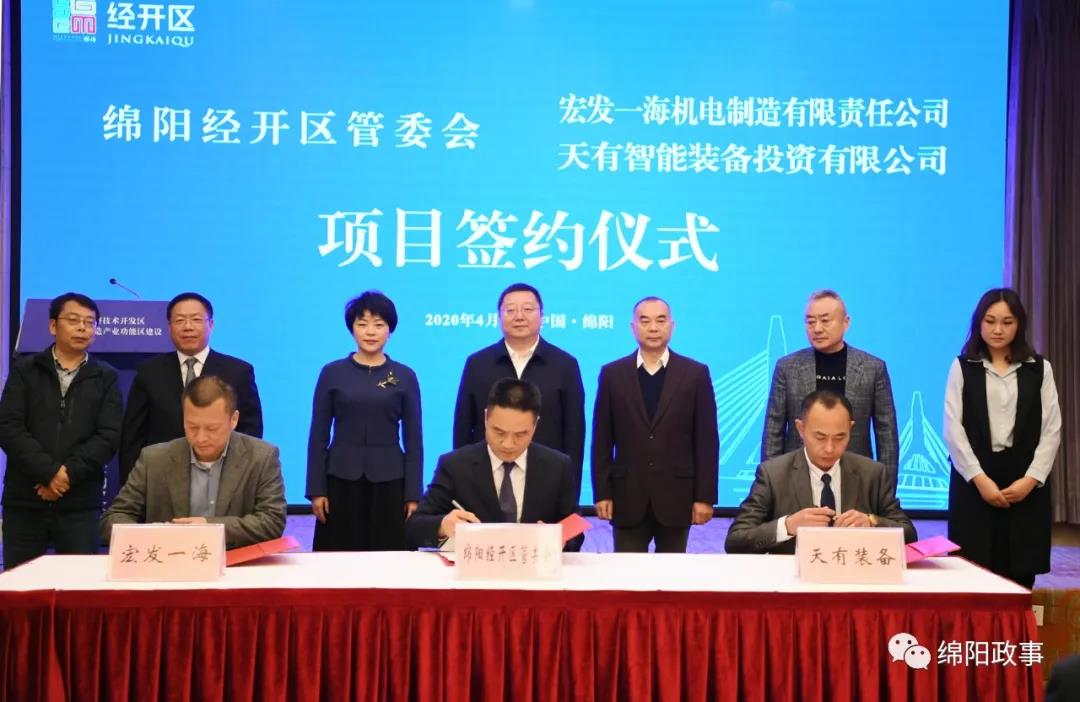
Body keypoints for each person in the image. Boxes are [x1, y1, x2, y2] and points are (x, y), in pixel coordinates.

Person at [943, 288, 1061, 589]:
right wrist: (979, 479)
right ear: (978, 323)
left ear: (1019, 324)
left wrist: (1031, 480)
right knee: (972, 572)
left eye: (1007, 322)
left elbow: (1051, 430)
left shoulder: (1039, 368)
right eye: (990, 321)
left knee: (1020, 574)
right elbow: (953, 429)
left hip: (1023, 482)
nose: (998, 329)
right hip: (974, 482)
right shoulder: (963, 366)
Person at [0, 293, 122, 570]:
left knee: (79, 584)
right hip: (26, 499)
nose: (82, 328)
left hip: (80, 503)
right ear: (53, 326)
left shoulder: (106, 376)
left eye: (89, 322)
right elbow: (9, 426)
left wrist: (66, 476)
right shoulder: (25, 370)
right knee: (21, 583)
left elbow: (108, 435)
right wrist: (48, 473)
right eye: (74, 320)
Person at [591, 297, 719, 553]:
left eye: (660, 320)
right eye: (644, 321)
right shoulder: (613, 374)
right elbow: (602, 439)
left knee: (671, 574)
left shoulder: (695, 373)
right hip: (627, 497)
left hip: (677, 497)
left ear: (672, 326)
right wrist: (602, 492)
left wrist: (704, 497)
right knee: (627, 573)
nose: (653, 328)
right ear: (633, 327)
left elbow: (706, 441)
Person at [101, 375, 285, 548]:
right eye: (192, 427)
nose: (201, 438)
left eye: (212, 428)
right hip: (169, 561)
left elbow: (272, 521)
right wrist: (156, 534)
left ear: (233, 420)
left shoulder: (262, 457)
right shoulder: (154, 459)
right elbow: (114, 518)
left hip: (234, 563)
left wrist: (209, 528)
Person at [726, 390, 916, 554]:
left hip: (855, 576)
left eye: (840, 437)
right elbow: (736, 540)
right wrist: (788, 526)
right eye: (820, 437)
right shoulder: (773, 474)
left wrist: (872, 522)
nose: (829, 448)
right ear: (800, 429)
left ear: (850, 429)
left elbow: (909, 534)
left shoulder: (872, 473)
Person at [306, 292, 422, 551]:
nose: (370, 332)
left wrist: (413, 494)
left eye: (379, 324)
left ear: (390, 330)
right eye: (362, 324)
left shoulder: (404, 375)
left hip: (391, 480)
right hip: (340, 478)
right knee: (338, 556)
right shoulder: (332, 373)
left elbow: (414, 440)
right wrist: (316, 489)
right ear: (352, 329)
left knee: (389, 556)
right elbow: (318, 436)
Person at [407, 378, 581, 551]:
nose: (508, 444)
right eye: (499, 432)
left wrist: (560, 537)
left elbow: (576, 530)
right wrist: (443, 525)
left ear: (535, 426)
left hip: (534, 564)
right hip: (477, 566)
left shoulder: (558, 466)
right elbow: (415, 527)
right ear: (485, 418)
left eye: (520, 435)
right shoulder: (454, 465)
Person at [453, 283, 586, 499]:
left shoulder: (565, 365)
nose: (519, 316)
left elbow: (574, 433)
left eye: (528, 309)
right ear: (499, 317)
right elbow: (463, 426)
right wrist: (461, 482)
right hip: (486, 478)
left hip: (546, 477)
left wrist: (571, 493)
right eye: (510, 310)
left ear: (542, 316)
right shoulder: (477, 364)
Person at [119, 292, 263, 485]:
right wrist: (132, 484)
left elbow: (250, 431)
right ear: (169, 327)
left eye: (196, 319)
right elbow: (133, 436)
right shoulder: (149, 372)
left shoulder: (238, 371)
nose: (188, 327)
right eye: (180, 320)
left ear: (211, 325)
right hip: (161, 480)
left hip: (222, 479)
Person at [762, 290, 899, 488]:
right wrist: (772, 487)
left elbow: (887, 437)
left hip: (857, 481)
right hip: (797, 483)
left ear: (846, 322)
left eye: (825, 321)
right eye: (810, 322)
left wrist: (885, 491)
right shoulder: (787, 367)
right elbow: (773, 432)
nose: (817, 328)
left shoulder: (873, 368)